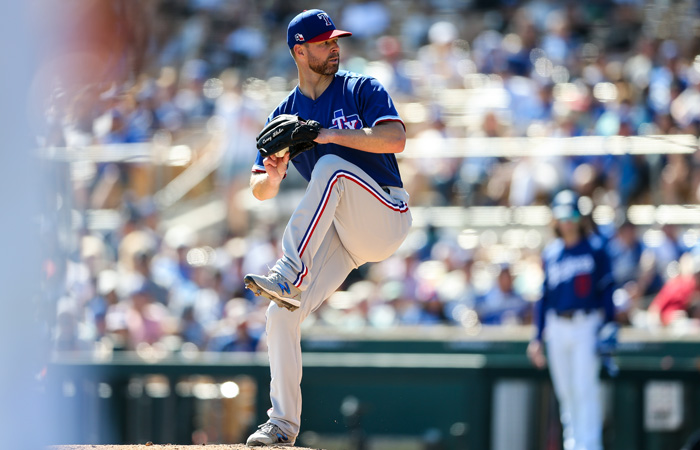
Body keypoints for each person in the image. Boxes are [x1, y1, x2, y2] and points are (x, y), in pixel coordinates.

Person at [242, 9, 412, 446]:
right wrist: (275, 173)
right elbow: (258, 188)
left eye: (336, 40)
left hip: (385, 212)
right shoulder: (284, 112)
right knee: (280, 315)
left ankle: (289, 273)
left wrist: (325, 135)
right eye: (323, 42)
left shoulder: (360, 87)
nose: (334, 47)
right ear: (300, 50)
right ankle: (281, 425)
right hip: (345, 238)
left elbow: (394, 139)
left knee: (333, 166)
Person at [527, 190, 616, 450]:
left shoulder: (596, 248)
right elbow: (543, 297)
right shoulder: (552, 252)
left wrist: (609, 324)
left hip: (586, 324)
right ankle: (574, 445)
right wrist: (537, 337)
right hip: (557, 326)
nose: (567, 220)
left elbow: (607, 289)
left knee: (584, 390)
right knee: (566, 394)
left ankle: (589, 445)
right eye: (562, 215)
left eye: (572, 214)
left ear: (580, 217)